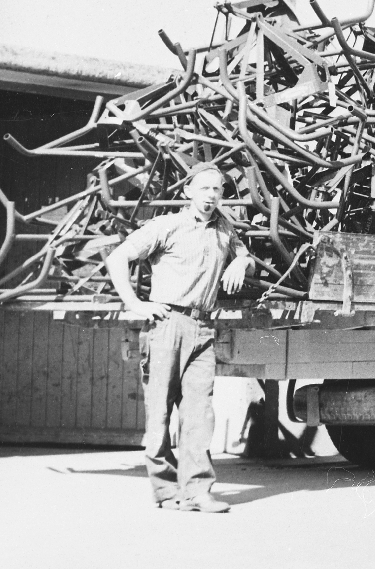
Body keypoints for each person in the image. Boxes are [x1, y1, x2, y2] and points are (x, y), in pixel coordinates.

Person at [106, 164, 253, 513]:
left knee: (199, 413)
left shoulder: (222, 228)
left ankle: (198, 491)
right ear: (189, 191)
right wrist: (135, 303)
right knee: (159, 417)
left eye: (217, 190)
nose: (211, 196)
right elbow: (118, 257)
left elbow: (243, 251)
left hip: (202, 328)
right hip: (167, 325)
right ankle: (166, 491)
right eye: (204, 189)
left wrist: (241, 262)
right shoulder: (167, 225)